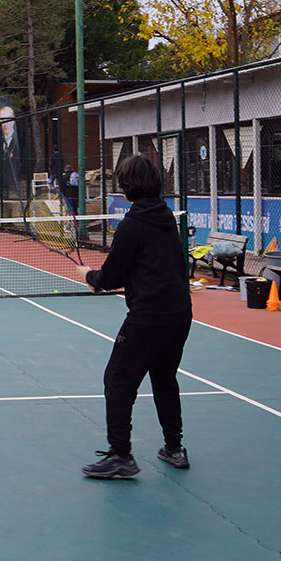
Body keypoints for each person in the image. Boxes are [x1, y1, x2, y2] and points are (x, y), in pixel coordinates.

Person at [75, 154, 191, 479]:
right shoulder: (165, 216)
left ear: (126, 187)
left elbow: (112, 276)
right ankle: (174, 448)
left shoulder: (133, 224)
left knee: (117, 380)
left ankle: (121, 456)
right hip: (180, 314)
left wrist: (89, 276)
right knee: (164, 380)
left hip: (150, 317)